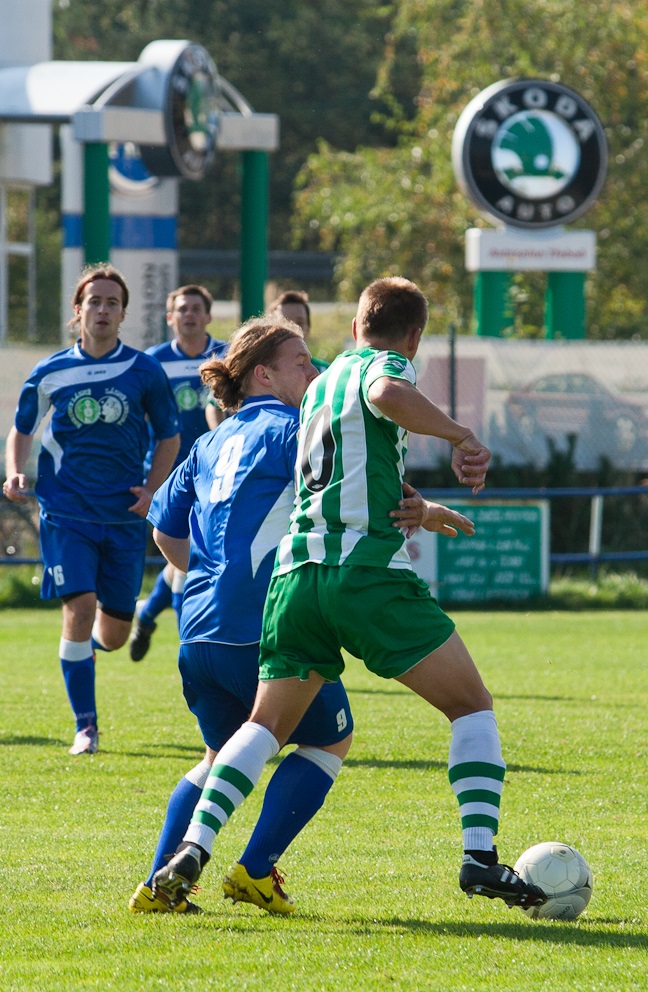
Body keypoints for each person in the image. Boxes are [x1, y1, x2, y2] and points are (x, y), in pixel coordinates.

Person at [153, 277, 547, 914]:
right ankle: (479, 858)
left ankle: (193, 849)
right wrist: (461, 437)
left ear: (357, 321)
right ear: (413, 336)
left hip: (295, 581)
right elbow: (387, 391)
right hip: (365, 576)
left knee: (262, 727)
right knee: (471, 705)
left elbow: (352, 475)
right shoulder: (378, 368)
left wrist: (424, 509)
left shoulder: (320, 388)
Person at [2, 264, 180, 755]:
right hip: (66, 510)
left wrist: (152, 490)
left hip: (123, 516)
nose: (103, 310)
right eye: (94, 302)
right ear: (77, 311)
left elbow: (169, 436)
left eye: (112, 303)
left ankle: (83, 655)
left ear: (123, 314)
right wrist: (16, 469)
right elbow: (22, 428)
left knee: (114, 635)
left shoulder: (145, 371)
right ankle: (86, 727)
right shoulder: (51, 371)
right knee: (79, 608)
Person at [128, 285, 227, 662]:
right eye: (181, 308)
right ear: (170, 317)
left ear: (208, 316)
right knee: (185, 555)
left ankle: (148, 614)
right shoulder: (152, 362)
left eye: (196, 308)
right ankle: (193, 645)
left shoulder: (226, 356)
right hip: (170, 476)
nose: (189, 314)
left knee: (188, 557)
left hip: (217, 473)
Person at [269, 289, 329, 373]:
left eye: (300, 323)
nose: (293, 328)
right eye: (284, 322)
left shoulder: (328, 373)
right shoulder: (259, 374)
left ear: (308, 328)